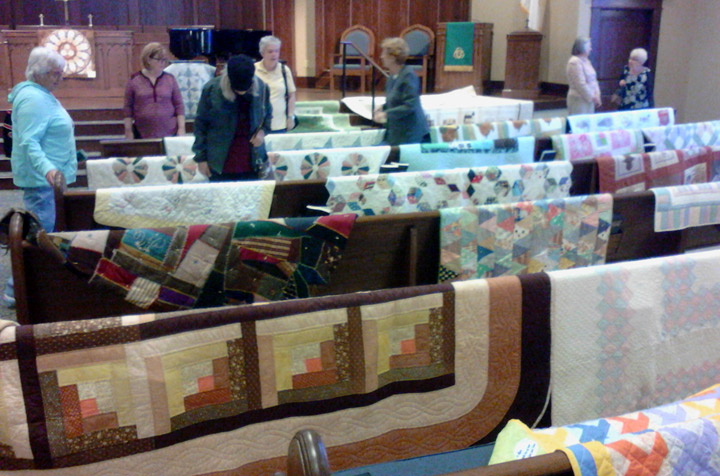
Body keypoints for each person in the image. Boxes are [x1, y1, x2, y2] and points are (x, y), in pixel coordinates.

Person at [4, 46, 78, 306]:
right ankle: (15, 289)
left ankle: (40, 284)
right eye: (54, 73)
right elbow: (29, 142)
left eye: (61, 73)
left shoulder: (42, 94)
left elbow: (50, 133)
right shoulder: (33, 98)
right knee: (40, 235)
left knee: (47, 234)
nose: (60, 78)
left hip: (50, 180)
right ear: (37, 72)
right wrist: (48, 169)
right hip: (42, 181)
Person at [192, 54, 273, 181]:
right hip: (219, 160)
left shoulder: (262, 88)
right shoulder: (211, 89)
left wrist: (262, 132)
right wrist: (201, 159)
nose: (242, 92)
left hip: (252, 160)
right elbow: (200, 125)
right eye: (237, 89)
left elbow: (267, 117)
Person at [373, 38, 429, 146]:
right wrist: (382, 107)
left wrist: (386, 114)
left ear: (393, 57)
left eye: (384, 53)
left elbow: (410, 105)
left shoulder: (408, 76)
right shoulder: (392, 77)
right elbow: (396, 101)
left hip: (410, 134)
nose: (381, 57)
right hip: (396, 133)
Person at [123, 42, 185, 139]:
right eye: (159, 59)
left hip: (170, 131)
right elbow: (128, 108)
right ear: (148, 59)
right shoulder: (134, 80)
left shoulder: (170, 79)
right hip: (142, 133)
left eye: (164, 60)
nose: (163, 63)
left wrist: (181, 128)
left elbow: (179, 105)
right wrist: (128, 131)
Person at [254, 36, 296, 133]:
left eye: (277, 51)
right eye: (270, 51)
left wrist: (290, 117)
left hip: (280, 124)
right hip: (258, 126)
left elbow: (291, 95)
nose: (274, 54)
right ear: (262, 53)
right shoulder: (254, 70)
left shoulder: (284, 70)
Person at [566, 36, 601, 115]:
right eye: (589, 47)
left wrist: (597, 94)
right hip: (578, 100)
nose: (591, 49)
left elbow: (594, 80)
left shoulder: (587, 61)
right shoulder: (574, 62)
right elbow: (580, 84)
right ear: (582, 47)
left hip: (590, 100)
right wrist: (592, 97)